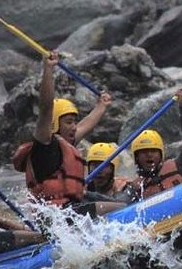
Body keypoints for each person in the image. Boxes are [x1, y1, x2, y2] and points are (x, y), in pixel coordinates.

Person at [12, 51, 125, 217]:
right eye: (68, 122)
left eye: (74, 121)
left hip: (71, 209)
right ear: (54, 124)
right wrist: (48, 69)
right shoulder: (44, 146)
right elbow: (45, 108)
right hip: (56, 216)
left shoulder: (64, 144)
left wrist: (102, 106)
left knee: (121, 204)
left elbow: (85, 126)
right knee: (120, 209)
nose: (74, 127)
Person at [121, 86, 182, 202]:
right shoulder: (135, 188)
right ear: (136, 157)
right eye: (144, 152)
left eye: (153, 151)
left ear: (161, 154)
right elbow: (119, 204)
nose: (149, 155)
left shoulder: (179, 167)